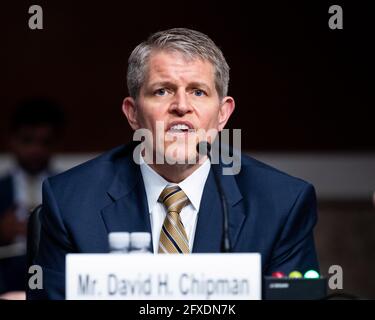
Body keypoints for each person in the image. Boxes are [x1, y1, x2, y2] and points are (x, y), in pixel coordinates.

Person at [27, 28, 319, 300]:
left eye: (198, 91)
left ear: (222, 114)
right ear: (133, 113)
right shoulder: (71, 202)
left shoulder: (282, 204)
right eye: (162, 91)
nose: (181, 105)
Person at [0, 98, 64, 298]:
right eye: (27, 140)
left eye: (44, 142)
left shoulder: (68, 189)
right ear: (12, 140)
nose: (36, 150)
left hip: (52, 280)